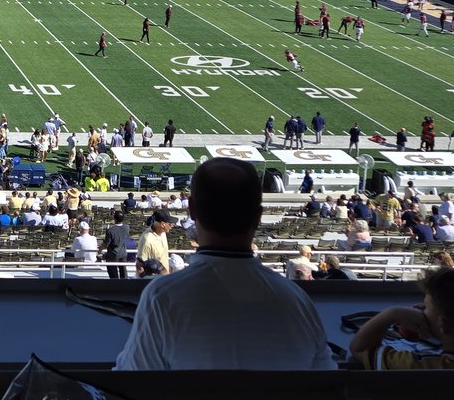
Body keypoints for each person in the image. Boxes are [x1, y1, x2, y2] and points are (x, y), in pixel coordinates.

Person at [116, 158, 334, 370]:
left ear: (192, 209)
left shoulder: (162, 298)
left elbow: (130, 382)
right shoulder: (298, 302)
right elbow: (327, 382)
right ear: (258, 216)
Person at [350, 267, 454, 368]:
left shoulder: (427, 364)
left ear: (444, 324)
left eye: (426, 306)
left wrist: (392, 314)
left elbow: (360, 349)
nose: (421, 309)